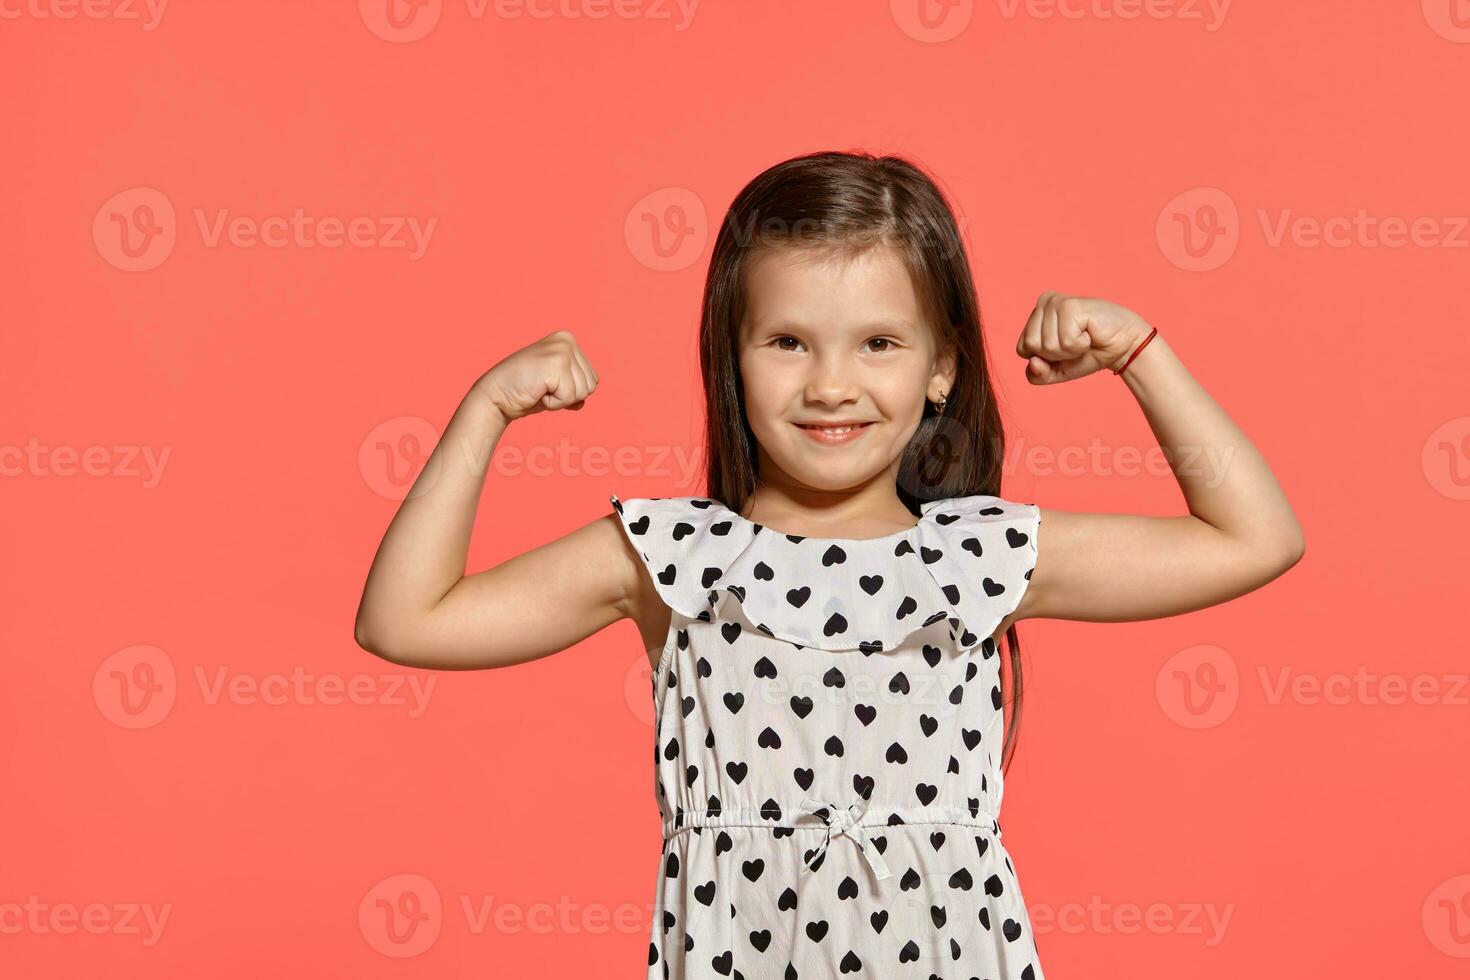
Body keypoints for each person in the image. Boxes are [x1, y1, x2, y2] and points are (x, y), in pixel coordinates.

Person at [353, 150, 1304, 979]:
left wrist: (1140, 351)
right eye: (787, 342)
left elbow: (1254, 537)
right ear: (732, 358)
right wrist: (486, 411)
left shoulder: (981, 557)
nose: (831, 385)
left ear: (942, 369)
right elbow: (404, 620)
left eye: (880, 343)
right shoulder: (671, 558)